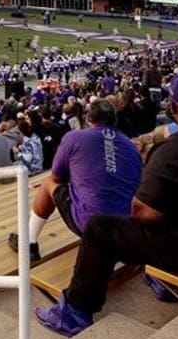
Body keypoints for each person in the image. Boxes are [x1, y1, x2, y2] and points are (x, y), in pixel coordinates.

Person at [35, 73, 178, 337]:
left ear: (174, 108)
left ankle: (75, 311)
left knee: (100, 227)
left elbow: (142, 213)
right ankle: (159, 277)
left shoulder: (175, 149)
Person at [9, 100, 141, 261]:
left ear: (88, 118)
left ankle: (29, 243)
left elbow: (57, 177)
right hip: (126, 227)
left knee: (48, 183)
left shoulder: (75, 137)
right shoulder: (130, 146)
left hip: (94, 225)